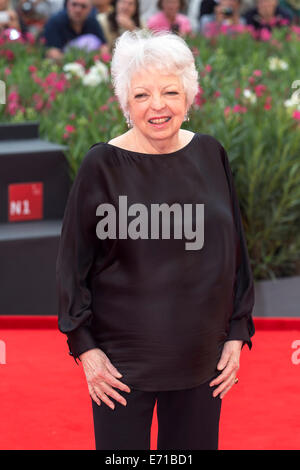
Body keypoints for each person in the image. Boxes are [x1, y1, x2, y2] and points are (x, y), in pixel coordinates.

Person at [56, 29, 255, 450]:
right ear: (125, 102)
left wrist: (237, 334)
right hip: (120, 369)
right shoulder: (101, 165)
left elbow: (234, 253)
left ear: (189, 95)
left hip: (203, 363)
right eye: (142, 94)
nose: (158, 105)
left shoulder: (211, 154)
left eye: (169, 91)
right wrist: (86, 350)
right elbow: (72, 265)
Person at [41, 0, 109, 62]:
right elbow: (52, 53)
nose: (78, 10)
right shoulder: (55, 21)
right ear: (67, 5)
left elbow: (104, 47)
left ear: (90, 8)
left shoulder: (92, 21)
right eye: (74, 4)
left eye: (83, 6)